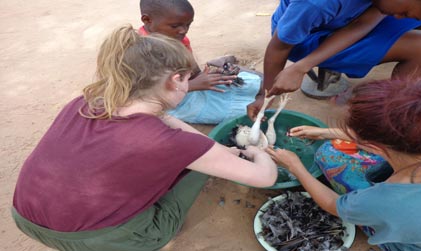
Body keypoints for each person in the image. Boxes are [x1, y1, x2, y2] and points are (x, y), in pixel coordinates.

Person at [12, 25, 277, 251]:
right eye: (187, 79)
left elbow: (163, 117)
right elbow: (266, 177)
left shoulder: (85, 102)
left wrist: (214, 148)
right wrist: (258, 153)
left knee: (197, 156)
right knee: (198, 171)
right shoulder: (170, 144)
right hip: (92, 238)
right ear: (175, 80)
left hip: (24, 216)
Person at [267, 77, 421, 250]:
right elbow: (395, 137)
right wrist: (325, 132)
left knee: (329, 157)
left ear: (373, 146)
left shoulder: (386, 201)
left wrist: (295, 165)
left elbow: (333, 205)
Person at [247, 0, 421, 120]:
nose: (402, 18)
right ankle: (387, 116)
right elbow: (280, 47)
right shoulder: (316, 4)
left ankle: (399, 99)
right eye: (406, 14)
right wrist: (267, 94)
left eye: (406, 15)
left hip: (355, 19)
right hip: (309, 37)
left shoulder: (389, 4)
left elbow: (367, 20)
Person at [140, 0, 261, 124]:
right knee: (243, 112)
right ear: (147, 20)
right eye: (175, 26)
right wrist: (192, 85)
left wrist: (214, 74)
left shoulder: (178, 38)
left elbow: (194, 72)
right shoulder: (141, 53)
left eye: (188, 25)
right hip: (173, 102)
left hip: (191, 86)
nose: (183, 30)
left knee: (254, 84)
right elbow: (150, 95)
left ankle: (219, 65)